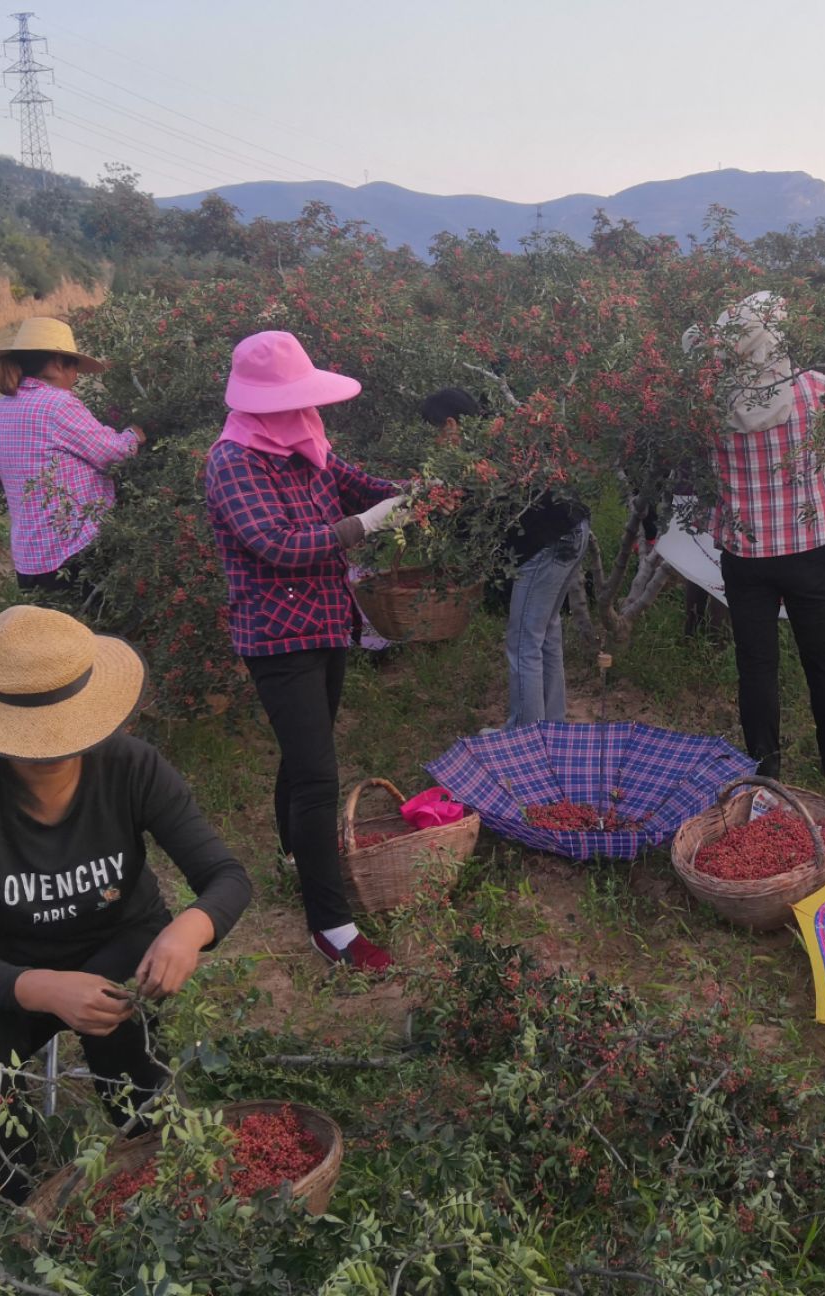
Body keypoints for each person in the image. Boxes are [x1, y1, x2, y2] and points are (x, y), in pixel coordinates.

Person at [0, 605, 251, 1197]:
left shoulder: (132, 767)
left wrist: (190, 928)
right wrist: (50, 988)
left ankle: (157, 1170)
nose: (51, 747)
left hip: (121, 941)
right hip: (10, 971)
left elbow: (226, 876)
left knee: (121, 1018)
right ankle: (18, 1205)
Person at [203, 331, 411, 971]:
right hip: (275, 635)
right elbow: (278, 544)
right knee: (319, 774)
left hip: (325, 620)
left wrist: (420, 491)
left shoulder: (305, 439)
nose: (302, 407)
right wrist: (368, 524)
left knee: (304, 753)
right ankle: (332, 924)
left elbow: (357, 483)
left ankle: (296, 852)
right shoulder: (233, 461)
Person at [683, 290, 825, 781]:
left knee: (756, 665)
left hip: (747, 552)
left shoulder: (710, 400)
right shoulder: (806, 386)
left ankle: (766, 766)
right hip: (811, 546)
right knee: (824, 659)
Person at [419, 387, 591, 728]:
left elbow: (473, 517)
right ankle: (553, 729)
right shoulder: (501, 436)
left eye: (433, 432)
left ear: (451, 424)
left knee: (524, 640)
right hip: (575, 527)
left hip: (548, 544)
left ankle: (525, 740)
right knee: (547, 631)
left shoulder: (473, 456)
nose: (434, 442)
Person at [0, 317, 145, 594]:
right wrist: (135, 434)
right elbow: (113, 453)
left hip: (30, 558)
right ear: (58, 363)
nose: (77, 377)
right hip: (69, 554)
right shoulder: (57, 404)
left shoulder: (1, 408)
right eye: (74, 367)